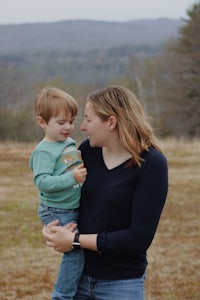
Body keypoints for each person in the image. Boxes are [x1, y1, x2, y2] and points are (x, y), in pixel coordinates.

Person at [42, 85, 168, 300]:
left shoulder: (152, 163)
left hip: (121, 284)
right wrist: (54, 225)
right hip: (77, 279)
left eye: (89, 120)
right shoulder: (86, 152)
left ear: (111, 122)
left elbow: (138, 238)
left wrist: (75, 240)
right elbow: (67, 197)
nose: (81, 126)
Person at [29, 86, 87, 300]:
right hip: (58, 209)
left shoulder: (68, 143)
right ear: (42, 122)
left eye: (71, 121)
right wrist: (71, 178)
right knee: (75, 251)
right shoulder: (44, 150)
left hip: (71, 205)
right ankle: (62, 296)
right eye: (61, 122)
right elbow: (42, 181)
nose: (68, 127)